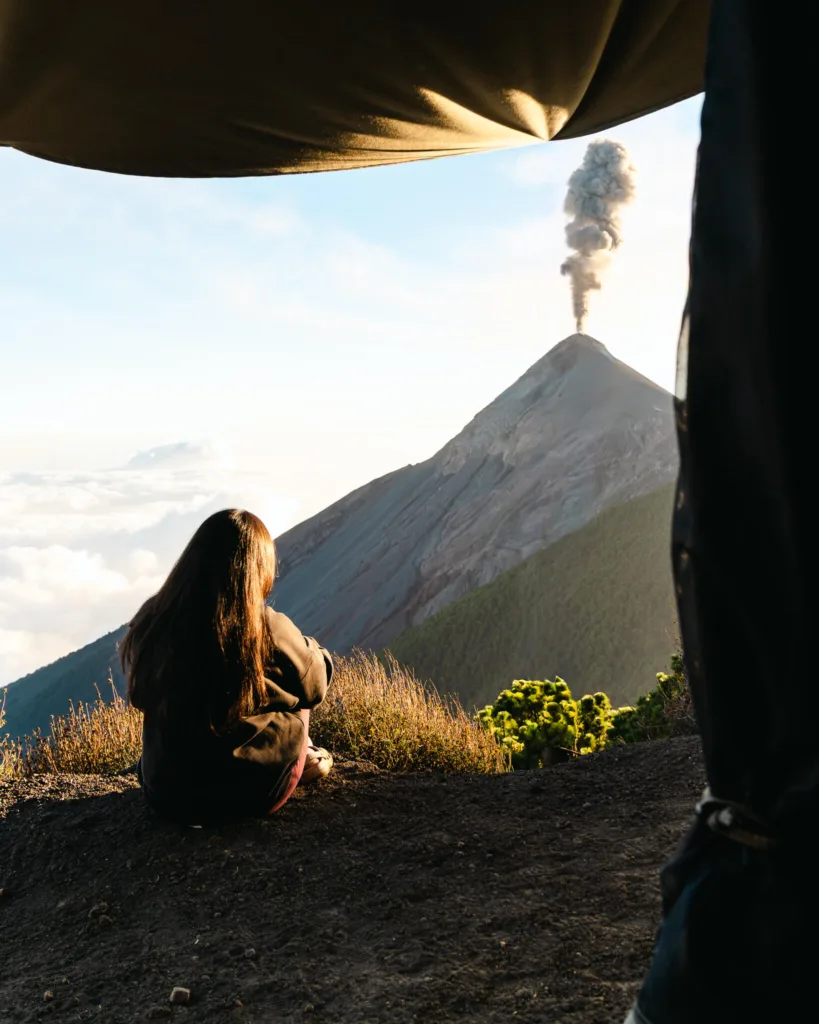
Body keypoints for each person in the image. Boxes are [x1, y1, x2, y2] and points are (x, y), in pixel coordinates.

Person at [120, 508, 333, 824]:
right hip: (253, 795)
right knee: (299, 697)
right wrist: (312, 651)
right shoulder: (268, 628)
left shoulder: (154, 620)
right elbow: (317, 685)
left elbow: (140, 697)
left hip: (168, 796)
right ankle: (310, 756)